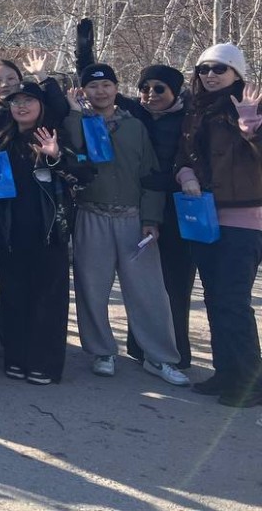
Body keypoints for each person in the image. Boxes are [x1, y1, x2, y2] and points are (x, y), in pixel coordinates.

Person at [63, 64, 189, 387]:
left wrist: (151, 219)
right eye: (93, 86)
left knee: (149, 291)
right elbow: (73, 150)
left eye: (107, 84)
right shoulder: (79, 121)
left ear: (117, 88)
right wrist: (75, 112)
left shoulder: (135, 126)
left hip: (133, 218)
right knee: (92, 289)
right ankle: (102, 351)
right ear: (84, 91)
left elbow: (151, 175)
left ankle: (159, 356)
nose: (101, 91)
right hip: (92, 214)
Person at [176, 43, 262, 408]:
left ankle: (251, 382)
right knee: (214, 298)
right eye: (204, 69)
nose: (210, 75)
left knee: (233, 300)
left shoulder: (251, 104)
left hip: (244, 219)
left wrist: (251, 127)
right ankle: (226, 373)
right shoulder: (197, 109)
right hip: (205, 216)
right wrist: (185, 175)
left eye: (219, 69)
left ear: (236, 73)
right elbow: (185, 155)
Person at [0, 83, 83, 385]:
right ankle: (15, 356)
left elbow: (82, 175)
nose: (22, 106)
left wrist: (55, 155)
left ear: (41, 105)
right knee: (13, 294)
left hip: (48, 230)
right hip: (10, 229)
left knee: (47, 298)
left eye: (29, 100)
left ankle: (44, 363)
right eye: (16, 102)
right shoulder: (1, 138)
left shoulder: (54, 134)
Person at [125, 64, 195, 369]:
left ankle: (176, 352)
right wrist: (84, 47)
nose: (150, 94)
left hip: (179, 208)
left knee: (175, 283)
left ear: (175, 91)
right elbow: (98, 83)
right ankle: (139, 346)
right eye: (145, 88)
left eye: (159, 89)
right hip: (141, 207)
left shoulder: (190, 118)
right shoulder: (135, 113)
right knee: (141, 280)